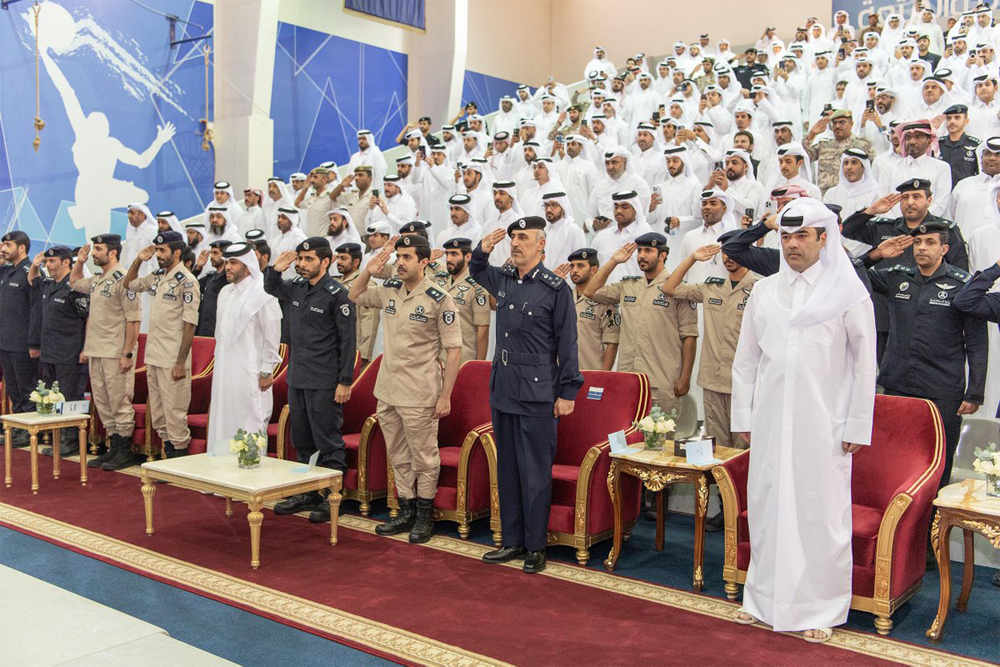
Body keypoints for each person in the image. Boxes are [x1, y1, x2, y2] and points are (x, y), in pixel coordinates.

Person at [731, 197, 877, 643]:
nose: (792, 244)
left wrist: (857, 424)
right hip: (770, 421)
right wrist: (744, 416)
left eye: (802, 236)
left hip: (825, 425)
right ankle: (762, 599)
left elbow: (865, 365)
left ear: (823, 238)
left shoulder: (848, 292)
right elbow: (746, 360)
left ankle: (821, 607)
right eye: (786, 236)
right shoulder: (764, 291)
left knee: (819, 515)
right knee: (768, 507)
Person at [471, 218, 583, 573]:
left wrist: (568, 391)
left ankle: (535, 546)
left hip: (537, 392)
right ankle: (512, 540)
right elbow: (476, 270)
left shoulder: (555, 289)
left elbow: (567, 345)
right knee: (508, 469)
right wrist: (483, 249)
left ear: (541, 244)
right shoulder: (504, 279)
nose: (516, 243)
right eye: (513, 238)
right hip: (504, 388)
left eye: (523, 237)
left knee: (534, 471)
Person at [350, 235, 463, 543]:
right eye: (398, 257)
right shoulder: (390, 290)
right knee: (398, 454)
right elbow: (355, 294)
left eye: (407, 257)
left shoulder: (439, 299)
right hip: (388, 388)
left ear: (424, 261)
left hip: (420, 391)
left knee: (424, 457)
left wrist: (445, 396)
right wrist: (368, 271)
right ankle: (406, 510)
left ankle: (425, 515)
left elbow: (454, 350)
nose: (399, 262)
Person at [869, 221, 986, 493]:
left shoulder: (963, 285)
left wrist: (975, 392)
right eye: (918, 242)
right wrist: (876, 254)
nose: (922, 247)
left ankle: (933, 520)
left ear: (944, 248)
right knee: (893, 460)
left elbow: (977, 342)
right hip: (898, 385)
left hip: (941, 390)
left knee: (937, 463)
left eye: (930, 242)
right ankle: (897, 518)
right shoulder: (897, 277)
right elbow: (851, 271)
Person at [266, 237, 357, 523]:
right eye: (300, 259)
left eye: (308, 259)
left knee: (327, 440)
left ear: (325, 262)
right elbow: (270, 287)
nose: (302, 264)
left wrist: (345, 381)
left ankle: (332, 498)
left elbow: (348, 342)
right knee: (302, 439)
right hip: (298, 376)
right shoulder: (296, 287)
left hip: (324, 380)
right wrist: (276, 269)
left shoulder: (337, 295)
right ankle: (306, 491)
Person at [584, 233, 698, 417]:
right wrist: (613, 261)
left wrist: (685, 377)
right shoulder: (628, 285)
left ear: (662, 255)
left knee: (659, 434)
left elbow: (689, 336)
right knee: (626, 433)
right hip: (629, 379)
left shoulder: (677, 288)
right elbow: (590, 292)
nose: (642, 256)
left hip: (661, 381)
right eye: (639, 251)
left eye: (648, 251)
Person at [662, 234, 756, 451]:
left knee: (744, 450)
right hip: (712, 381)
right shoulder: (712, 287)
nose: (728, 257)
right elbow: (669, 288)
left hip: (743, 384)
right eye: (725, 252)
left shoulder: (759, 288)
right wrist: (692, 258)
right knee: (718, 448)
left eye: (734, 251)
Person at [124, 231, 201, 459]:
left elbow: (189, 325)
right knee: (158, 414)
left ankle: (179, 462)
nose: (158, 255)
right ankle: (168, 458)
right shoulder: (157, 276)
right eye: (157, 250)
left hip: (172, 358)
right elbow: (129, 284)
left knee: (174, 413)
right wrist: (139, 260)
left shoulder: (187, 281)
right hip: (154, 356)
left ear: (176, 253)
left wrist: (180, 362)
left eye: (162, 250)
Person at [70, 238, 142, 469]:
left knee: (119, 400)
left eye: (99, 249)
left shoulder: (125, 279)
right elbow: (74, 283)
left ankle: (124, 451)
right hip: (97, 350)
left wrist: (127, 353)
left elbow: (134, 320)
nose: (94, 253)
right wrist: (80, 262)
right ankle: (113, 448)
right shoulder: (98, 279)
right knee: (102, 401)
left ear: (112, 253)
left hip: (115, 350)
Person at [205, 242, 282, 454]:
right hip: (225, 371)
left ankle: (249, 469)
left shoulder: (263, 293)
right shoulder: (225, 292)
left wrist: (266, 371)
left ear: (247, 265)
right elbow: (220, 335)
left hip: (251, 372)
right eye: (227, 262)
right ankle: (222, 469)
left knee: (251, 420)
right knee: (223, 418)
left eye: (233, 263)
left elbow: (272, 337)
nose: (228, 267)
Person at [27, 246, 89, 456]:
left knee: (70, 397)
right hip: (50, 351)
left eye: (51, 261)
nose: (48, 265)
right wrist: (35, 265)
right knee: (53, 396)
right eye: (47, 262)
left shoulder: (75, 287)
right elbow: (33, 280)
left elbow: (87, 318)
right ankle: (59, 437)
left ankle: (72, 440)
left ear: (66, 262)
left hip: (70, 352)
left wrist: (85, 349)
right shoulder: (48, 284)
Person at [0, 231, 37, 447]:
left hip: (23, 342)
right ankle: (18, 427)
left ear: (21, 247)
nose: (3, 249)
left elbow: (36, 310)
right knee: (13, 388)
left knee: (26, 388)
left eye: (8, 245)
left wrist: (34, 342)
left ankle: (28, 429)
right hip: (5, 340)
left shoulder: (30, 272)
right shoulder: (6, 271)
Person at [559, 247, 619, 370]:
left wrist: (603, 375)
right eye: (572, 266)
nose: (574, 270)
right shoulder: (564, 297)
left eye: (580, 266)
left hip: (591, 372)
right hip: (563, 373)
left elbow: (612, 343)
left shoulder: (605, 301)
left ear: (593, 270)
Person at [434, 238, 490, 363]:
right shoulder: (439, 281)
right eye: (447, 254)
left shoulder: (477, 287)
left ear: (468, 257)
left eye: (454, 254)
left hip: (462, 360)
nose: (448, 259)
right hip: (437, 358)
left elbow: (483, 330)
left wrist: (478, 366)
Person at [804, 109, 874, 193]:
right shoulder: (824, 145)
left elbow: (873, 168)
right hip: (825, 195)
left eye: (842, 122)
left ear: (851, 124)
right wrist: (811, 134)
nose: (837, 126)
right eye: (834, 123)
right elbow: (804, 158)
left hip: (852, 193)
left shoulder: (862, 144)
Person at [333, 243, 379, 367]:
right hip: (334, 348)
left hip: (353, 349)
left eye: (343, 258)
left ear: (356, 262)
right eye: (338, 258)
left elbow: (369, 322)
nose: (338, 262)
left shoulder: (365, 284)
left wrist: (363, 354)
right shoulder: (335, 282)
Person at [938, 104, 981, 187]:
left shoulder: (976, 146)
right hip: (941, 191)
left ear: (966, 121)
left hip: (966, 191)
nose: (952, 121)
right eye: (949, 118)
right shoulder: (937, 145)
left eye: (957, 118)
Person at [194, 240, 232, 337]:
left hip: (218, 333)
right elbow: (191, 286)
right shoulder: (210, 278)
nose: (211, 256)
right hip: (203, 331)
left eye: (215, 253)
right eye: (211, 253)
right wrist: (198, 268)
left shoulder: (228, 279)